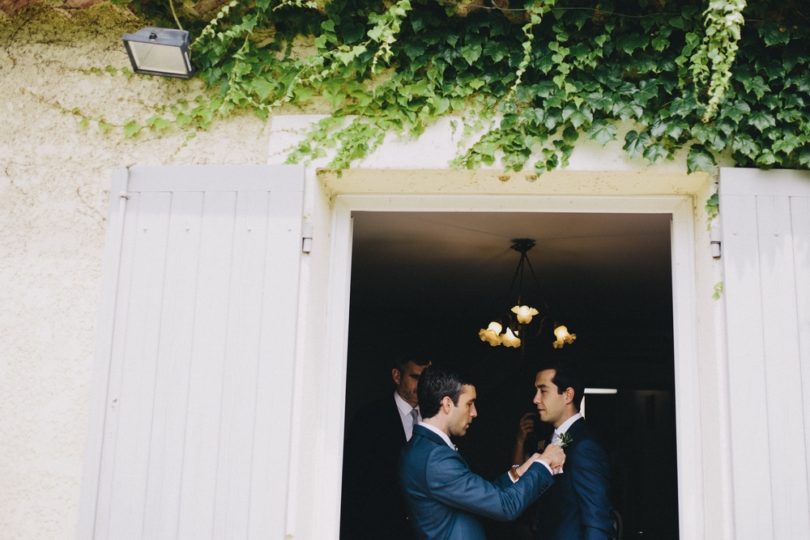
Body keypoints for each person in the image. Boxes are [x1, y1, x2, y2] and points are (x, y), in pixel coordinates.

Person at [399, 365, 566, 540]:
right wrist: (544, 464)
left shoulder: (424, 448)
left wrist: (520, 472)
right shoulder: (435, 458)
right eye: (469, 404)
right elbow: (505, 506)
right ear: (447, 404)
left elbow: (483, 495)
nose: (474, 412)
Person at [340, 354, 431, 540]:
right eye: (415, 377)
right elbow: (353, 481)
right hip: (379, 529)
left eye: (426, 378)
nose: (422, 385)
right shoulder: (369, 418)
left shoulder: (436, 417)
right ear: (397, 376)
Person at [532, 360, 613, 540]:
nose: (535, 399)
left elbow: (596, 519)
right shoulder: (551, 439)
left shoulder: (585, 446)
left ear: (568, 395)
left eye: (543, 391)